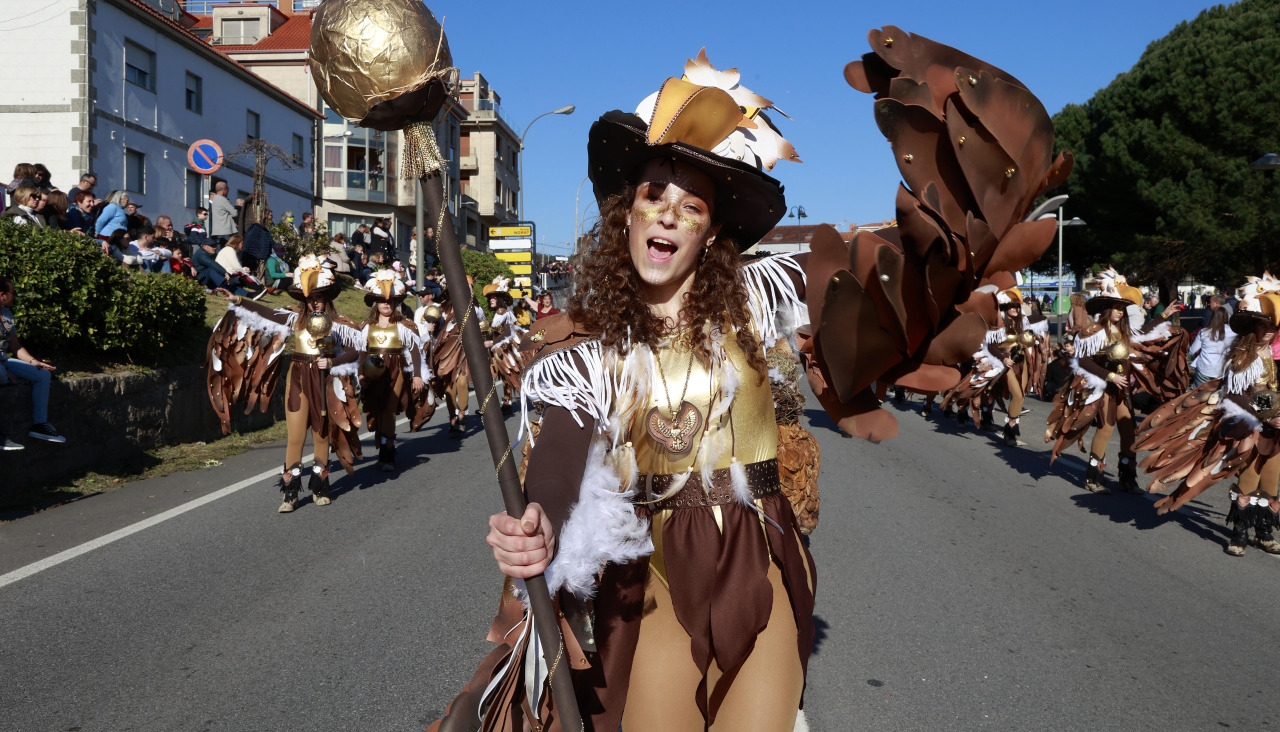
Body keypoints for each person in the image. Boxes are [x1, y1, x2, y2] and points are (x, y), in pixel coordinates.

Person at [435, 58, 814, 732]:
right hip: (655, 568)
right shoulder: (594, 345)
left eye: (692, 204)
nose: (668, 214)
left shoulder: (760, 305)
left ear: (711, 231)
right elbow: (559, 453)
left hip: (757, 557)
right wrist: (541, 522)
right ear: (626, 212)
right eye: (653, 194)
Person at [1136, 274, 1280, 556]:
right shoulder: (1242, 356)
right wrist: (1270, 414)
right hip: (1250, 427)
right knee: (1249, 481)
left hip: (1274, 430)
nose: (1270, 331)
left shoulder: (1273, 357)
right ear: (1253, 326)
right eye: (1265, 325)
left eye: (1274, 326)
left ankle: (1264, 531)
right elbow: (1238, 395)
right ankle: (1239, 534)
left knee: (1271, 484)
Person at [208, 256, 364, 511]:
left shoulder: (338, 325)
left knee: (321, 434)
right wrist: (238, 300)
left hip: (323, 380)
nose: (314, 301)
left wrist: (332, 364)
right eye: (309, 297)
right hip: (299, 378)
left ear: (327, 299)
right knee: (295, 437)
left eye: (319, 297)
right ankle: (290, 493)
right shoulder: (296, 320)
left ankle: (320, 487)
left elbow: (354, 352)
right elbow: (267, 313)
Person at [358, 270, 426, 471]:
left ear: (396, 303)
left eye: (390, 301)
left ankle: (388, 450)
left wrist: (417, 375)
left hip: (395, 370)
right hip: (372, 371)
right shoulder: (367, 327)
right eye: (381, 300)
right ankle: (384, 443)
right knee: (376, 409)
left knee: (389, 409)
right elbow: (362, 352)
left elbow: (414, 350)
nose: (386, 304)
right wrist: (361, 374)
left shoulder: (402, 326)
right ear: (375, 303)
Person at [0, 275, 66, 448]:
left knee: (42, 375)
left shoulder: (6, 313)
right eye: (12, 292)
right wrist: (6, 372)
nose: (14, 296)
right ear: (2, 294)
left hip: (3, 359)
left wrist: (33, 361)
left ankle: (39, 425)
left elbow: (14, 345)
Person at [1188, 305, 1235, 387]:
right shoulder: (1233, 333)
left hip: (1205, 368)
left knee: (1199, 394)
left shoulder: (1204, 332)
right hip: (1223, 370)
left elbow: (1192, 350)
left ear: (1212, 317)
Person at [208, 181, 238, 246]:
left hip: (217, 231)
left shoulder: (215, 199)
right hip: (225, 230)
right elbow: (234, 213)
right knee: (229, 249)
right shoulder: (222, 199)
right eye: (227, 189)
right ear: (224, 189)